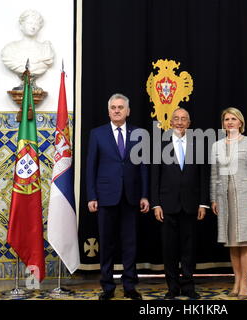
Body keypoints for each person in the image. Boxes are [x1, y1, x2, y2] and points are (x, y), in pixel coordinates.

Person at [86, 93, 149, 300]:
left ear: (128, 111)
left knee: (130, 243)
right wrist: (91, 196)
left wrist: (144, 195)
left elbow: (143, 168)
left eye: (121, 107)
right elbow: (91, 167)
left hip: (131, 197)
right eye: (113, 107)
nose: (117, 110)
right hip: (105, 197)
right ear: (108, 110)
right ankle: (107, 286)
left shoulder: (139, 133)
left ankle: (130, 285)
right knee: (107, 243)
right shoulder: (97, 134)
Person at [150, 108, 209, 300]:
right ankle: (172, 288)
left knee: (189, 249)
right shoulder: (160, 144)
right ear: (171, 122)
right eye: (176, 119)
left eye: (184, 119)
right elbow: (154, 177)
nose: (180, 122)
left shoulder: (198, 144)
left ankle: (189, 287)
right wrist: (156, 204)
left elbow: (203, 176)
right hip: (167, 206)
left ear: (189, 123)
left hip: (191, 205)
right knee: (169, 250)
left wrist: (203, 203)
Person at [210, 107, 247, 300]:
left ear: (241, 122)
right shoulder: (217, 146)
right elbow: (215, 175)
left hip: (246, 197)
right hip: (225, 200)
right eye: (226, 119)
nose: (230, 122)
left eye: (233, 119)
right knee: (233, 243)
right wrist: (214, 198)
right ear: (223, 123)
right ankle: (236, 280)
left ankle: (244, 284)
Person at [1, 10, 54, 88]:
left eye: (36, 24)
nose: (33, 27)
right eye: (29, 23)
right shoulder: (9, 49)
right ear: (21, 26)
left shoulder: (45, 49)